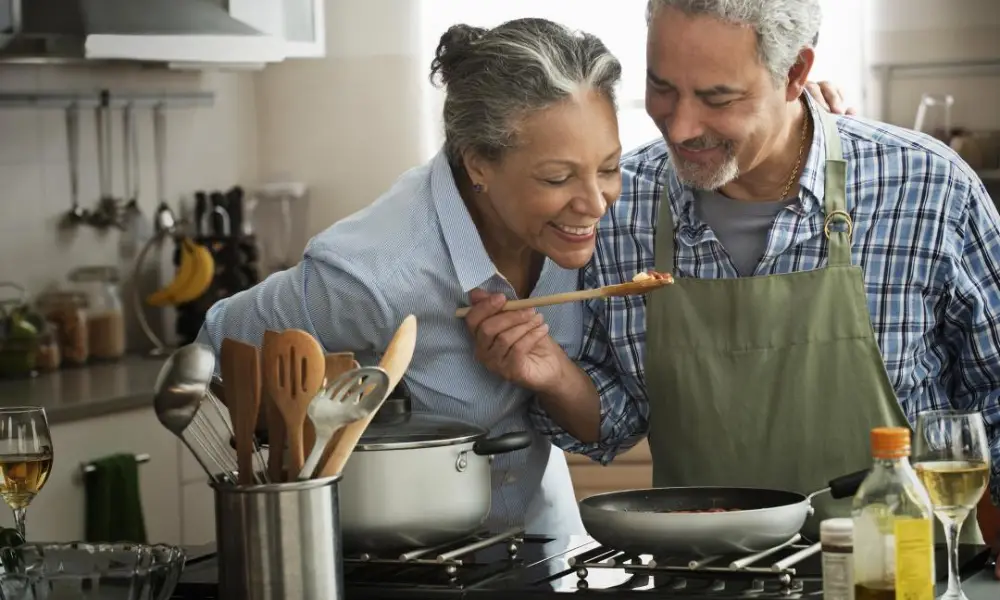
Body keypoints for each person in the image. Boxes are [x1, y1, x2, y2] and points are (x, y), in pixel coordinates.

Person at [197, 17, 852, 538]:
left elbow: (609, 428)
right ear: (479, 162)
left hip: (536, 547)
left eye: (608, 166)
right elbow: (219, 344)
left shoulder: (598, 230)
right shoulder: (373, 274)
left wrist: (792, 121)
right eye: (557, 177)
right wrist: (289, 464)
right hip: (388, 565)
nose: (595, 203)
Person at [462, 0, 1000, 568]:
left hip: (900, 574)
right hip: (701, 574)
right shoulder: (618, 205)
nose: (681, 125)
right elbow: (616, 423)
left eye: (717, 97)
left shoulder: (928, 187)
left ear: (795, 74)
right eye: (661, 87)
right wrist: (552, 373)